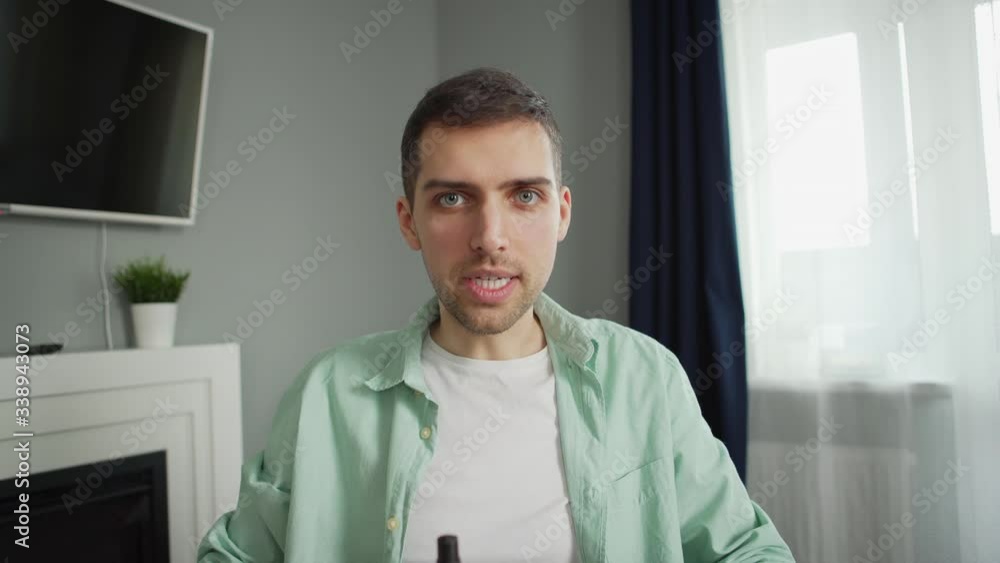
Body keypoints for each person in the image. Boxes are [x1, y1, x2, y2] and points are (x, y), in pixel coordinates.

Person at [197, 67, 795, 562]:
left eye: (524, 196)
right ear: (409, 221)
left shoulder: (645, 378)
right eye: (453, 198)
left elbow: (748, 551)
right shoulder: (327, 394)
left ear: (561, 214)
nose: (490, 237)